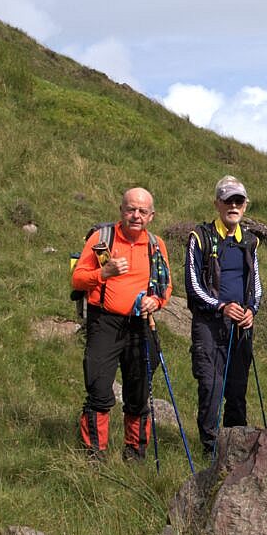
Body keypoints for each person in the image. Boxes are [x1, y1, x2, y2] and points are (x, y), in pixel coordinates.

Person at [71, 187, 172, 462]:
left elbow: (166, 285)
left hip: (141, 324)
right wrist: (104, 272)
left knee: (139, 391)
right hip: (104, 322)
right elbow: (77, 279)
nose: (136, 215)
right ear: (121, 210)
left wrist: (156, 301)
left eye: (142, 211)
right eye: (131, 209)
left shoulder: (156, 244)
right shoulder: (101, 238)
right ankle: (95, 453)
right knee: (99, 387)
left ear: (151, 216)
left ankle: (135, 453)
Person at [184, 175, 262, 456]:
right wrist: (220, 306)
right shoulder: (201, 237)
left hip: (241, 326)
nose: (233, 205)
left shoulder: (250, 242)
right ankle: (209, 450)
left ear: (245, 206)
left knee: (237, 391)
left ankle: (234, 448)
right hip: (209, 325)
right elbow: (192, 285)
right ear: (217, 204)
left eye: (238, 201)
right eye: (228, 200)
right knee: (210, 387)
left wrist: (252, 309)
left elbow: (256, 284)